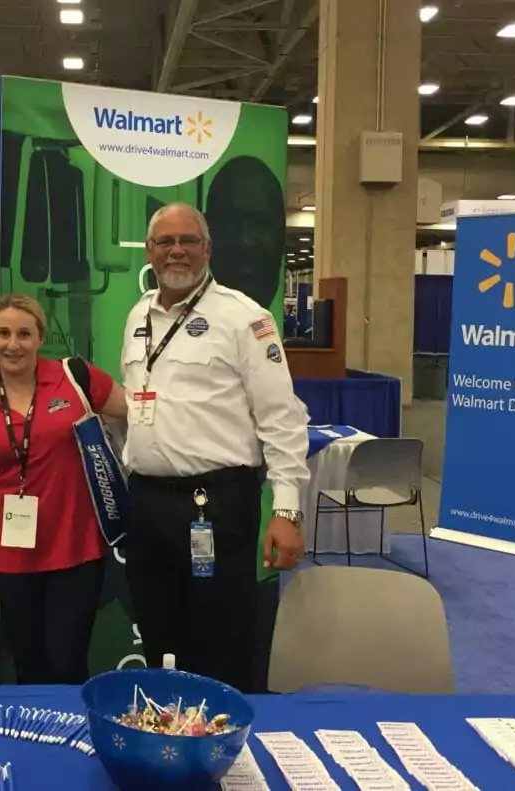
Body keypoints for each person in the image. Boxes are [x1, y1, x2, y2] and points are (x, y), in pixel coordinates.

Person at [121, 203, 310, 693]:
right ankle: (167, 742)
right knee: (159, 630)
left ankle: (226, 754)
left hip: (216, 505)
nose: (177, 251)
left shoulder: (246, 318)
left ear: (208, 249)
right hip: (147, 503)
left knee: (221, 638)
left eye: (188, 241)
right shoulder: (138, 314)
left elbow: (281, 418)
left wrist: (287, 511)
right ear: (150, 251)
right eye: (165, 242)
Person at [0, 294, 128, 685]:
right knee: (27, 664)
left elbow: (138, 415)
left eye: (23, 334)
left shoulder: (75, 378)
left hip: (77, 550)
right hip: (13, 556)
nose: (12, 344)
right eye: (2, 333)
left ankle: (71, 740)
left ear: (40, 337)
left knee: (68, 663)